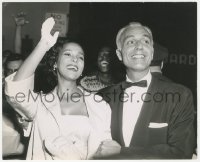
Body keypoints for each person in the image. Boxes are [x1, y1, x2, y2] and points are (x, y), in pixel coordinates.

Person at [5, 17, 112, 160]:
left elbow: (106, 152)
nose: (75, 59)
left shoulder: (99, 105)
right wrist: (44, 44)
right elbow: (15, 90)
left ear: (82, 68)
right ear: (55, 63)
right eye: (68, 54)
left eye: (80, 57)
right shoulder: (39, 104)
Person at [96, 22, 196, 159]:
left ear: (152, 51)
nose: (139, 46)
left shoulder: (180, 96)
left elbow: (182, 152)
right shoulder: (103, 97)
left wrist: (122, 152)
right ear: (119, 54)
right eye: (130, 41)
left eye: (145, 41)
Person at [2, 12, 29, 159]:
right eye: (10, 71)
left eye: (17, 71)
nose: (13, 74)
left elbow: (18, 54)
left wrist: (18, 28)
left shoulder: (30, 89)